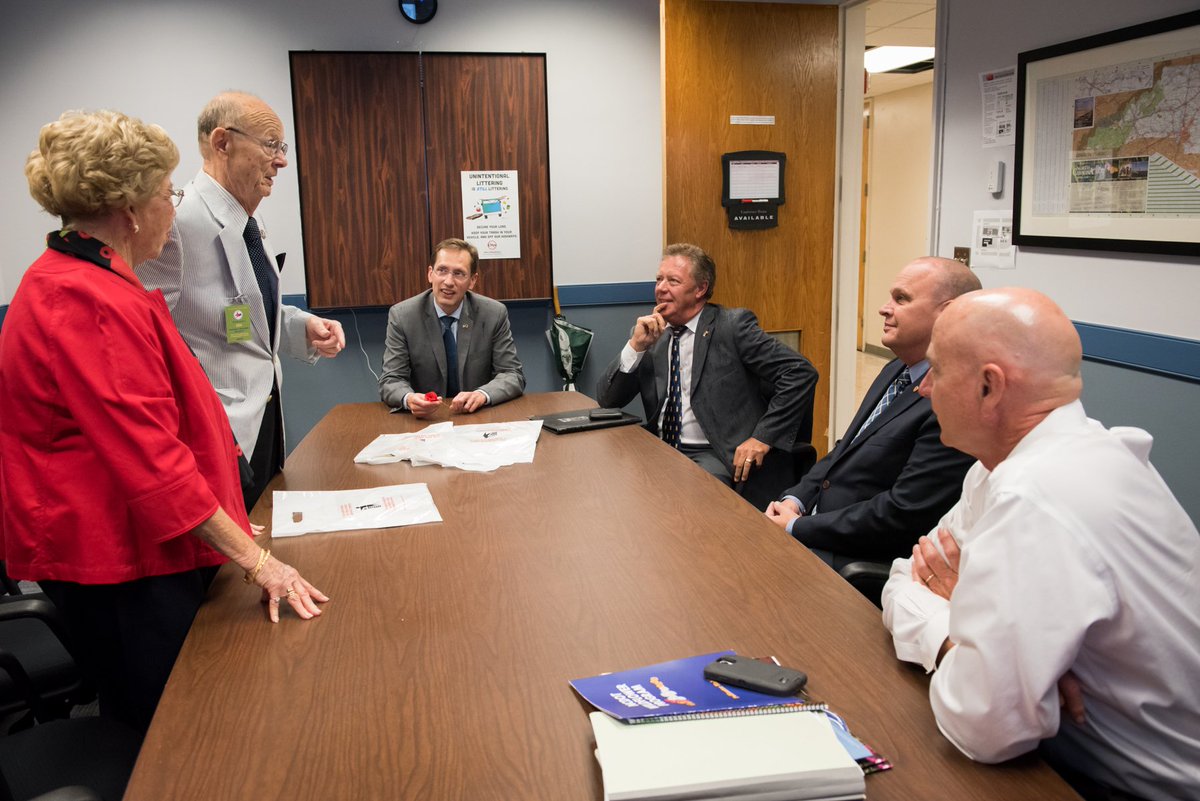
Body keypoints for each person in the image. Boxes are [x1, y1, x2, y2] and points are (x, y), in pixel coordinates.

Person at [0, 110, 328, 736]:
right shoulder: (84, 299)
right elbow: (152, 463)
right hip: (117, 563)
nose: (173, 211)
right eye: (167, 195)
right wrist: (258, 561)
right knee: (179, 727)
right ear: (129, 210)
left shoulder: (100, 280)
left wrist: (225, 510)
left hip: (143, 545)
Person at [880, 287, 1200, 801]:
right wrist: (963, 635)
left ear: (989, 386)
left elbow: (983, 725)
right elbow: (905, 575)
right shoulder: (1015, 465)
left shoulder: (1036, 495)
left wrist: (956, 634)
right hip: (1068, 761)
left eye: (936, 370)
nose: (924, 388)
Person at [137, 91, 345, 510]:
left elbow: (238, 310)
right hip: (215, 436)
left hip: (264, 420)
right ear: (223, 142)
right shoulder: (177, 222)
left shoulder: (248, 219)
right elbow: (144, 337)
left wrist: (300, 325)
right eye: (270, 145)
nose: (282, 161)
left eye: (282, 147)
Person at [764, 257, 979, 569]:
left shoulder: (950, 401)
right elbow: (845, 451)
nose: (884, 309)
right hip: (819, 528)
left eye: (901, 299)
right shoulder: (896, 369)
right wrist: (795, 500)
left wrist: (798, 527)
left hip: (857, 558)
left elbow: (902, 513)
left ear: (947, 313)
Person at [596, 243, 817, 508]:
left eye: (673, 281)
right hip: (660, 446)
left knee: (694, 503)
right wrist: (636, 346)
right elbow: (608, 399)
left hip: (713, 452)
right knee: (609, 488)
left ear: (700, 288)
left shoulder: (731, 326)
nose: (661, 288)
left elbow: (799, 372)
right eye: (659, 279)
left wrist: (762, 437)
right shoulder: (653, 333)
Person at [378, 237, 525, 417]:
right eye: (442, 270)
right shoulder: (403, 316)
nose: (448, 281)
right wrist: (409, 399)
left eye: (459, 273)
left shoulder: (493, 314)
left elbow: (512, 374)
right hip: (426, 420)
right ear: (430, 274)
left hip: (476, 417)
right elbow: (391, 380)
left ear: (472, 280)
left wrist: (482, 395)